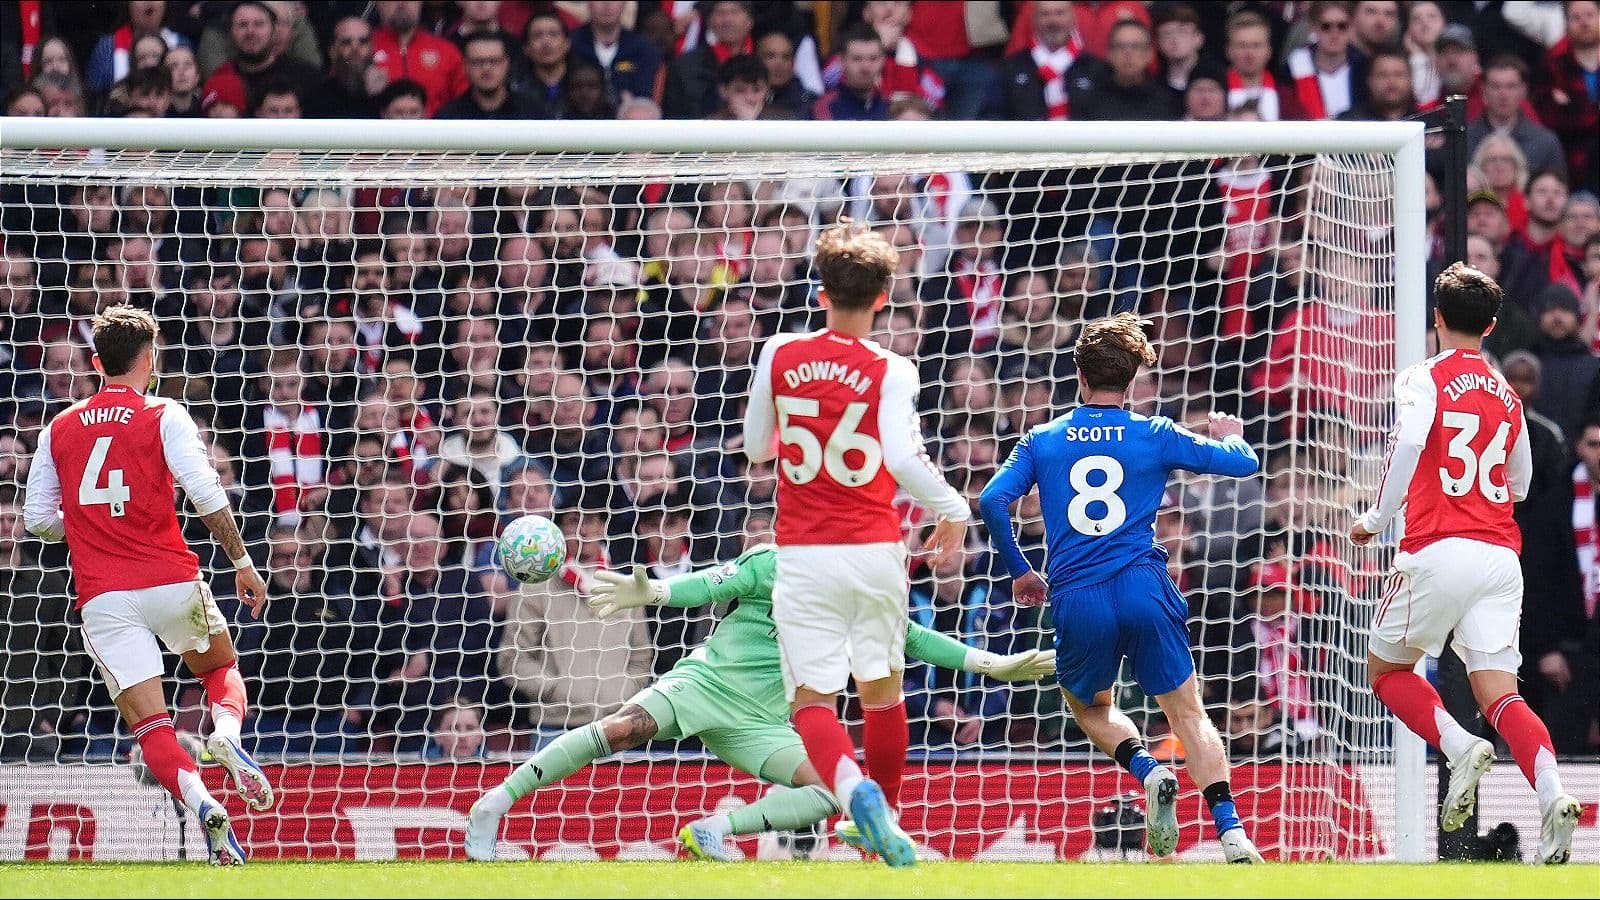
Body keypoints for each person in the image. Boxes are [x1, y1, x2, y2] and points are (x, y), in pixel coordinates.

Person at [463, 544, 1051, 861]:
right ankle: (494, 803)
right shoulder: (776, 563)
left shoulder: (867, 602)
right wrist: (657, 590)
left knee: (829, 792)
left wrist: (995, 664)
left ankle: (714, 829)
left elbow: (918, 640)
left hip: (762, 722)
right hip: (704, 685)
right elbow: (709, 583)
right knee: (620, 730)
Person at [978, 312, 1266, 863]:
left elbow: (992, 500)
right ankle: (1233, 836)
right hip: (1143, 585)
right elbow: (1243, 463)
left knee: (1089, 708)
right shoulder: (1154, 434)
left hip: (1077, 594)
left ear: (1079, 377)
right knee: (1189, 713)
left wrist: (1019, 569)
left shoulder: (1042, 439)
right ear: (1132, 382)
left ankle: (1147, 770)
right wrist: (1233, 435)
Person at [741, 221, 971, 866]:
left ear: (821, 292)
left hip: (805, 552)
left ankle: (853, 792)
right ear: (882, 297)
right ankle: (884, 815)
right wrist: (951, 507)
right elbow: (902, 454)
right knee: (883, 688)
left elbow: (758, 447)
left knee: (814, 700)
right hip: (876, 550)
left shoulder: (779, 353)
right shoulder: (893, 368)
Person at [22, 306, 272, 865]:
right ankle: (226, 737)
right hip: (171, 579)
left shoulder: (57, 428)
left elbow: (37, 519)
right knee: (218, 670)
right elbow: (204, 492)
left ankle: (202, 801)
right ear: (150, 362)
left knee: (152, 724)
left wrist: (85, 525)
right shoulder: (164, 412)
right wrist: (242, 561)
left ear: (95, 363)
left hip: (104, 596)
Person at [1348, 262, 1580, 866]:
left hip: (1437, 549)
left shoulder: (1423, 376)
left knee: (1387, 670)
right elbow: (1522, 481)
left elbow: (1410, 441)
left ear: (1437, 319)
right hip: (1501, 557)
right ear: (1493, 326)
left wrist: (1376, 519)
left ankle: (1456, 746)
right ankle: (1553, 792)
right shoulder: (1506, 393)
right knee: (1501, 694)